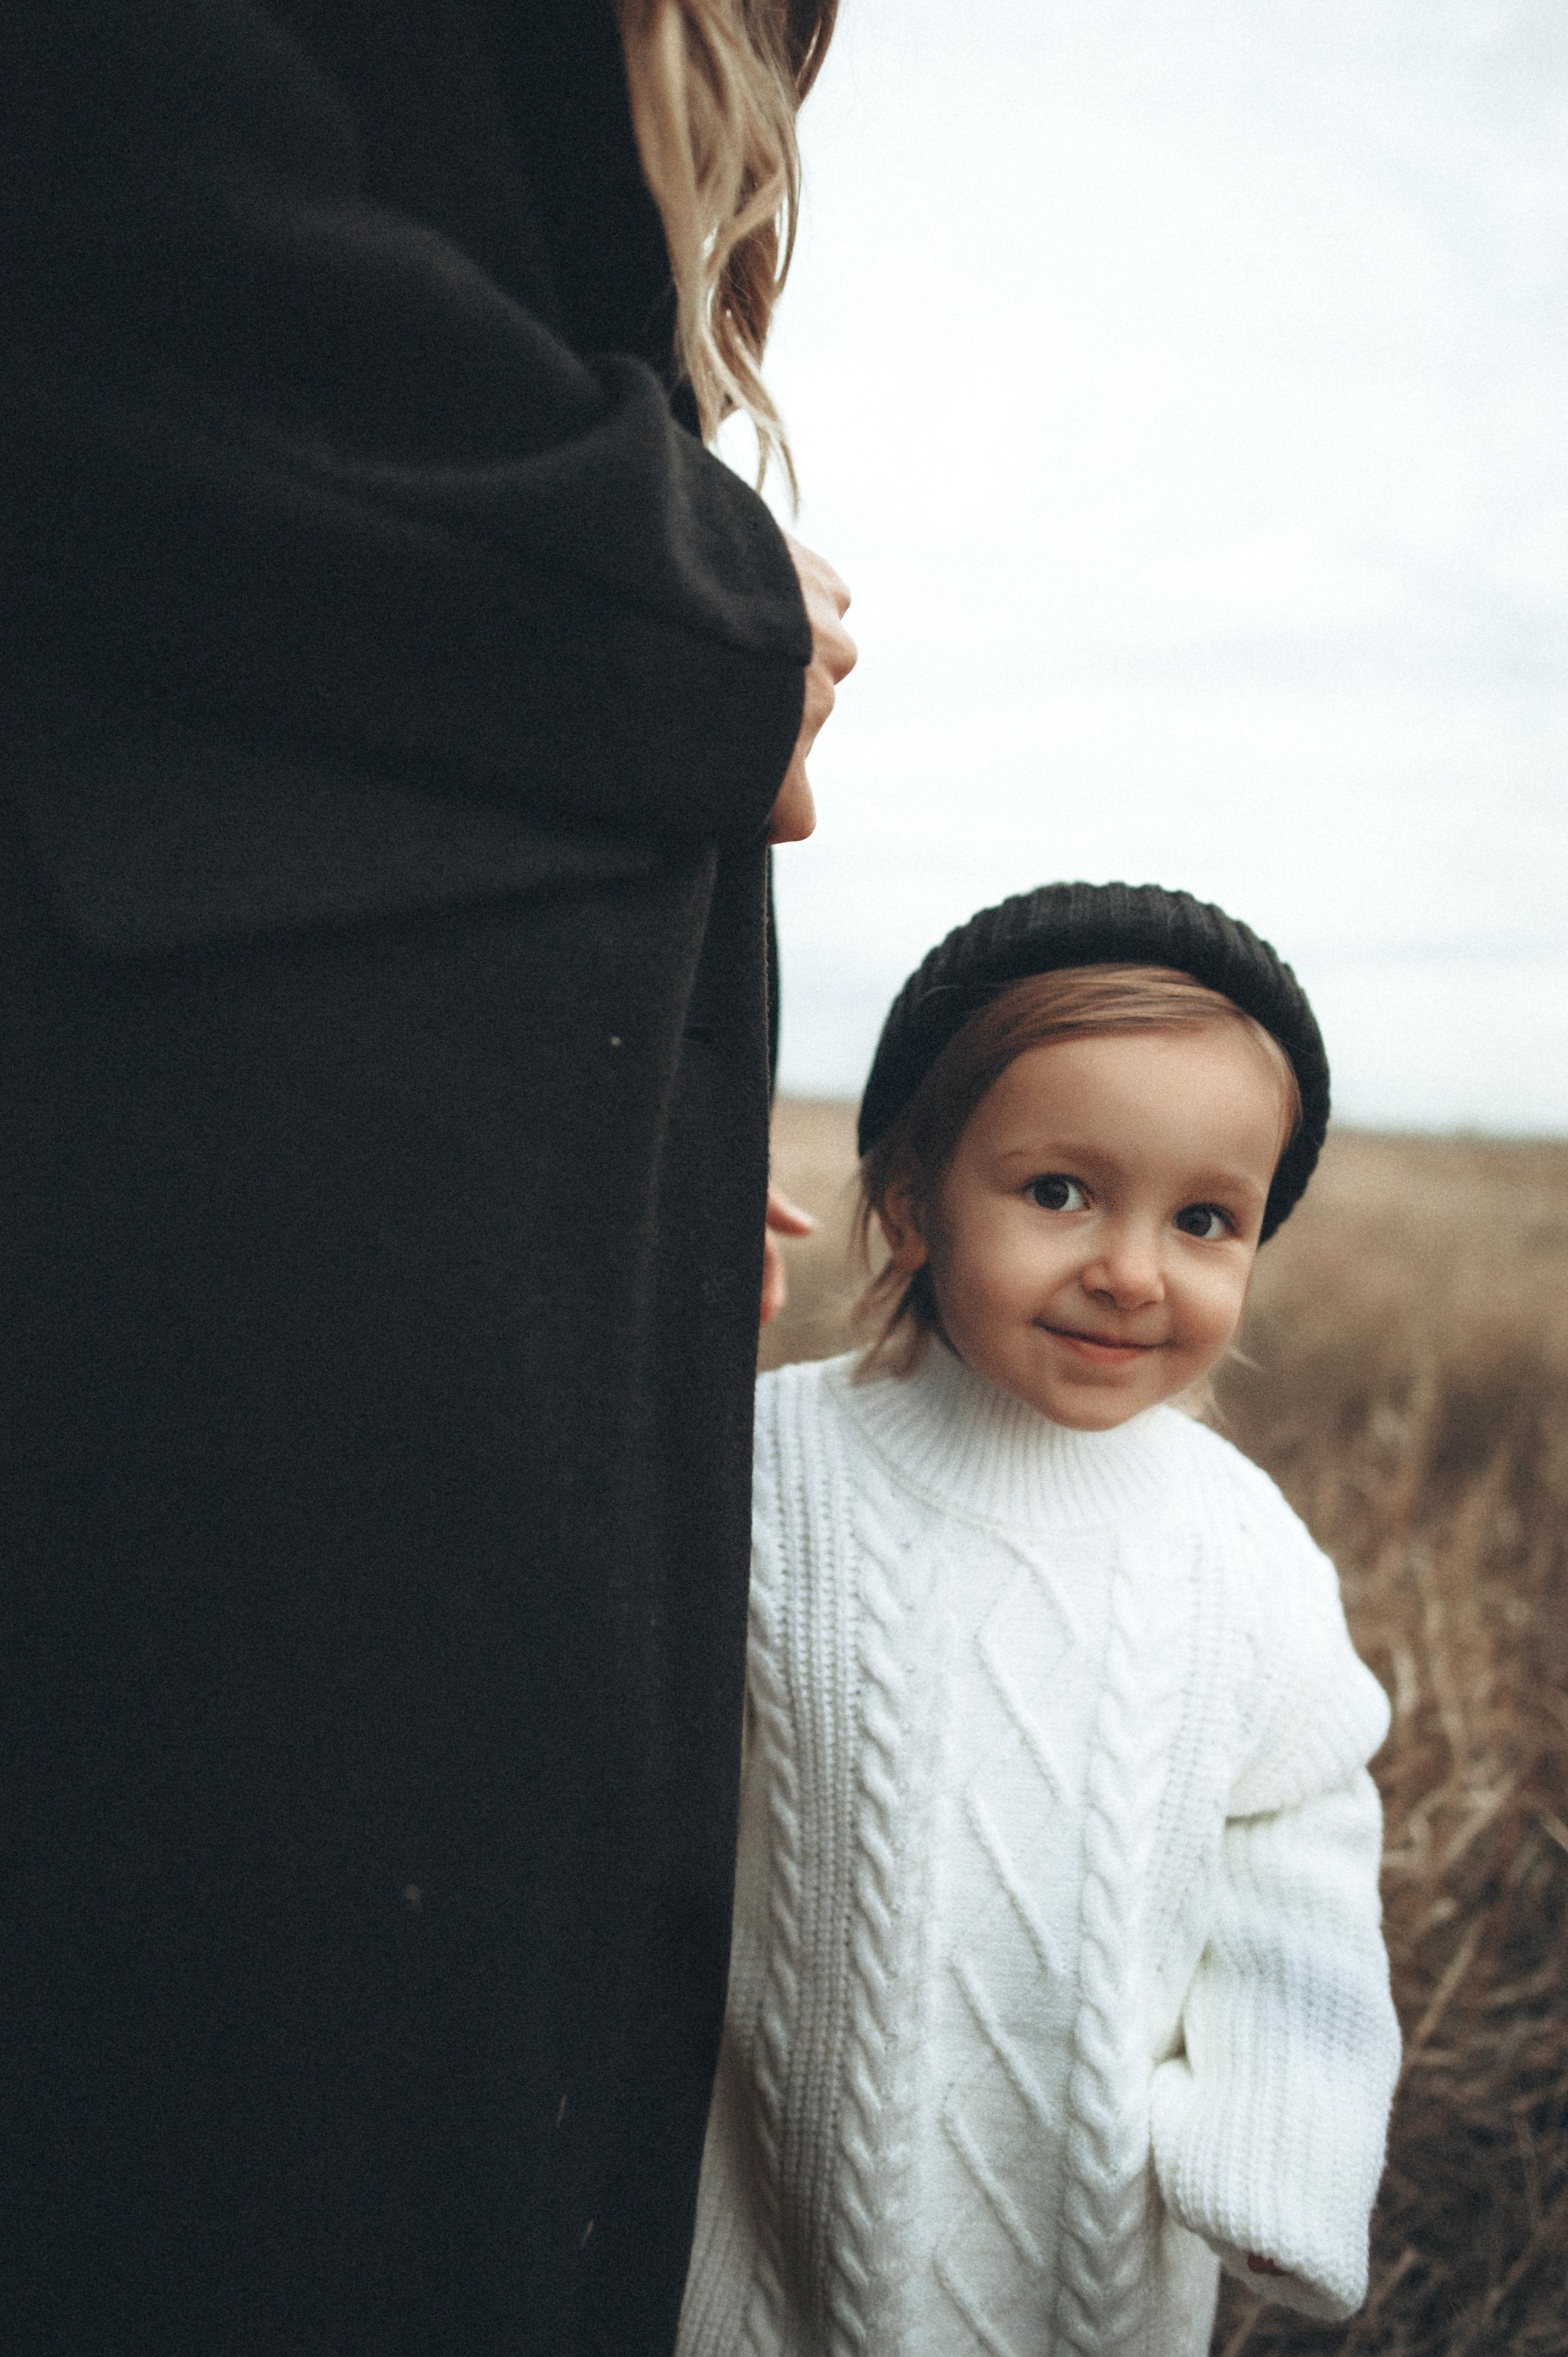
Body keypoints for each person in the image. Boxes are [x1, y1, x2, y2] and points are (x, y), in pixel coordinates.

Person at [0, 3, 850, 2350]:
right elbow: (113, 243)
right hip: (215, 1152)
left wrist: (625, 1166)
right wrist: (703, 608)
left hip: (417, 1148)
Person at [679, 882, 1401, 2356]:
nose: (1130, 1270)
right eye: (1058, 1191)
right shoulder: (763, 1472)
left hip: (1089, 2271)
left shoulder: (1240, 1546)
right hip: (763, 2253)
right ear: (909, 1202)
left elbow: (1297, 1848)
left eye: (1201, 1219)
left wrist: (1275, 2143)